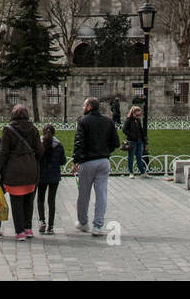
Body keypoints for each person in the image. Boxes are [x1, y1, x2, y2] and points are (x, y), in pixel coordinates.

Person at [0, 104, 43, 240]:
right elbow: (39, 150)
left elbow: (3, 153)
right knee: (28, 200)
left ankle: (20, 231)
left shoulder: (8, 130)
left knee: (16, 202)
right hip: (30, 170)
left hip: (14, 171)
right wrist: (31, 159)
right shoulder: (33, 129)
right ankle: (28, 228)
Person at [71, 97, 119, 236]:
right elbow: (115, 142)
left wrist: (76, 160)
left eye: (84, 105)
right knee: (101, 194)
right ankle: (98, 226)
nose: (82, 107)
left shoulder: (83, 121)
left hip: (88, 161)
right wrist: (105, 152)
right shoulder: (108, 121)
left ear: (90, 107)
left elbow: (79, 142)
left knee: (84, 194)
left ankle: (83, 222)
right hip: (104, 161)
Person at [36, 124, 65, 235]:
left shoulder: (39, 144)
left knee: (40, 199)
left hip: (41, 175)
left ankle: (42, 221)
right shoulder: (59, 146)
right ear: (54, 133)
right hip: (54, 176)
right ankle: (51, 226)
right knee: (51, 200)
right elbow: (62, 161)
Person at [123, 105, 148, 177]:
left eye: (139, 115)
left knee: (139, 157)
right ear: (133, 113)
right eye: (137, 115)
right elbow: (124, 129)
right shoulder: (128, 120)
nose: (138, 116)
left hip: (139, 141)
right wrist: (131, 135)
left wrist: (144, 141)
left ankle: (142, 172)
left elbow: (140, 130)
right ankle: (131, 172)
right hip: (132, 141)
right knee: (131, 157)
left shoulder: (138, 120)